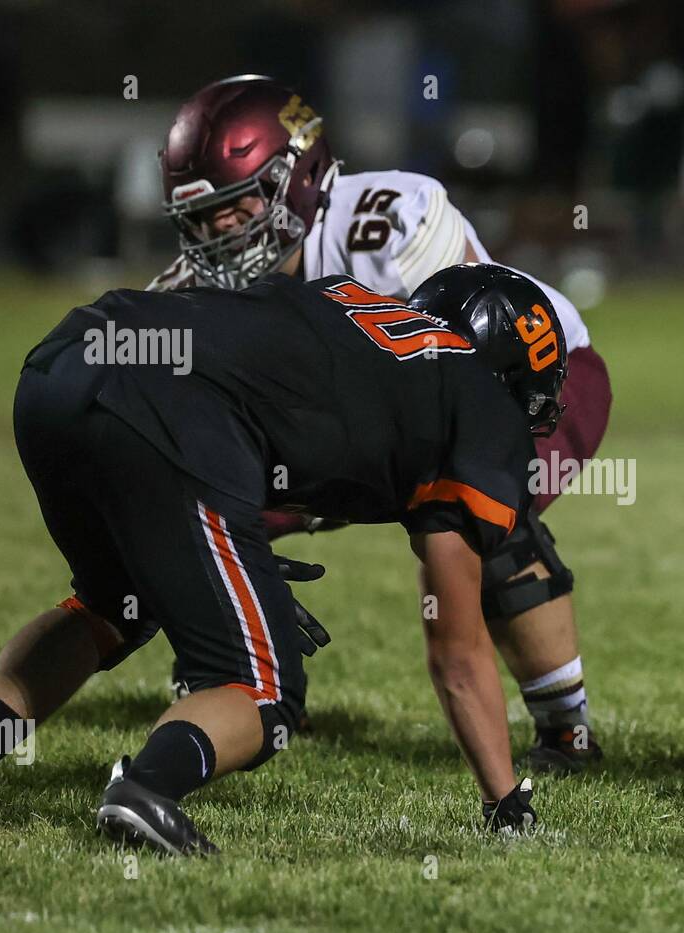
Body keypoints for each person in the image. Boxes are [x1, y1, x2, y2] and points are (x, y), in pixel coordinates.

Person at [0, 263, 562, 852]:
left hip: (65, 362)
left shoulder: (348, 306)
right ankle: (148, 786)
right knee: (266, 690)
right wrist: (506, 801)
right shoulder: (481, 405)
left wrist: (239, 558)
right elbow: (458, 651)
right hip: (170, 409)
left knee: (112, 605)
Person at [150, 75, 608, 771]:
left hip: (530, 376)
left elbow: (473, 376)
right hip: (364, 419)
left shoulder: (388, 222)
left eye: (238, 208)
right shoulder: (198, 292)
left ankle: (566, 730)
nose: (222, 235)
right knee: (188, 524)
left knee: (478, 521)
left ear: (299, 177)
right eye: (205, 218)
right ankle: (235, 676)